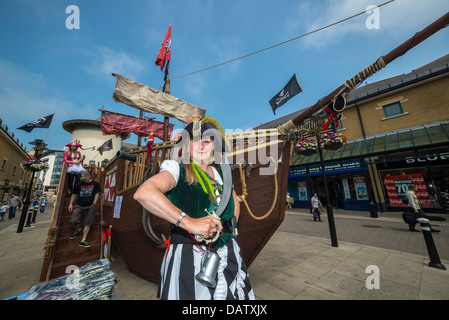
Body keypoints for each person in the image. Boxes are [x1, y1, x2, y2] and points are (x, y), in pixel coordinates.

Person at [134, 116, 254, 300]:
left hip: (227, 253)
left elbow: (235, 201)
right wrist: (189, 222)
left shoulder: (221, 174)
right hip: (189, 255)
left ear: (214, 146)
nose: (201, 145)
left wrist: (228, 227)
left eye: (207, 140)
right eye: (195, 140)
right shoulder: (176, 169)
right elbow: (145, 193)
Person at [68, 171, 101, 248]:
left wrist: (94, 203)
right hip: (79, 205)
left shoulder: (95, 184)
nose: (84, 180)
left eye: (85, 178)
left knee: (87, 223)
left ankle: (83, 240)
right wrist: (70, 203)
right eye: (83, 178)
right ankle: (78, 229)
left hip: (90, 206)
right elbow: (74, 194)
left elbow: (97, 193)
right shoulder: (79, 184)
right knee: (73, 220)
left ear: (89, 176)